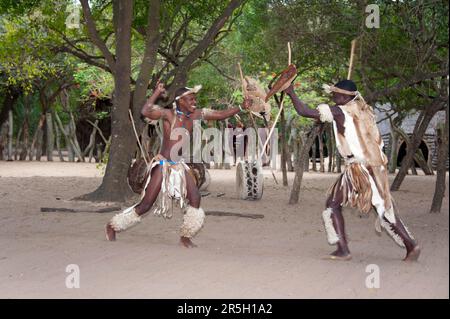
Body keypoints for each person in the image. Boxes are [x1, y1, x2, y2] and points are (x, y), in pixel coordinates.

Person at [284, 79, 421, 261]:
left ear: (344, 96)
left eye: (335, 94)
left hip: (362, 168)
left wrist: (291, 92)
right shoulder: (363, 109)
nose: (332, 96)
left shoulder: (340, 111)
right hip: (369, 166)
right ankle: (345, 248)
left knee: (378, 207)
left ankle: (409, 245)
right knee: (344, 204)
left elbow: (304, 111)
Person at [105, 82, 250, 247]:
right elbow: (145, 112)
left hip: (179, 166)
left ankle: (185, 237)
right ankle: (113, 226)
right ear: (180, 101)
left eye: (195, 99)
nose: (194, 102)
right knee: (146, 205)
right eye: (190, 99)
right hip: (163, 165)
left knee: (195, 198)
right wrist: (156, 93)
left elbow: (221, 114)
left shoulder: (195, 115)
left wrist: (241, 107)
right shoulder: (168, 114)